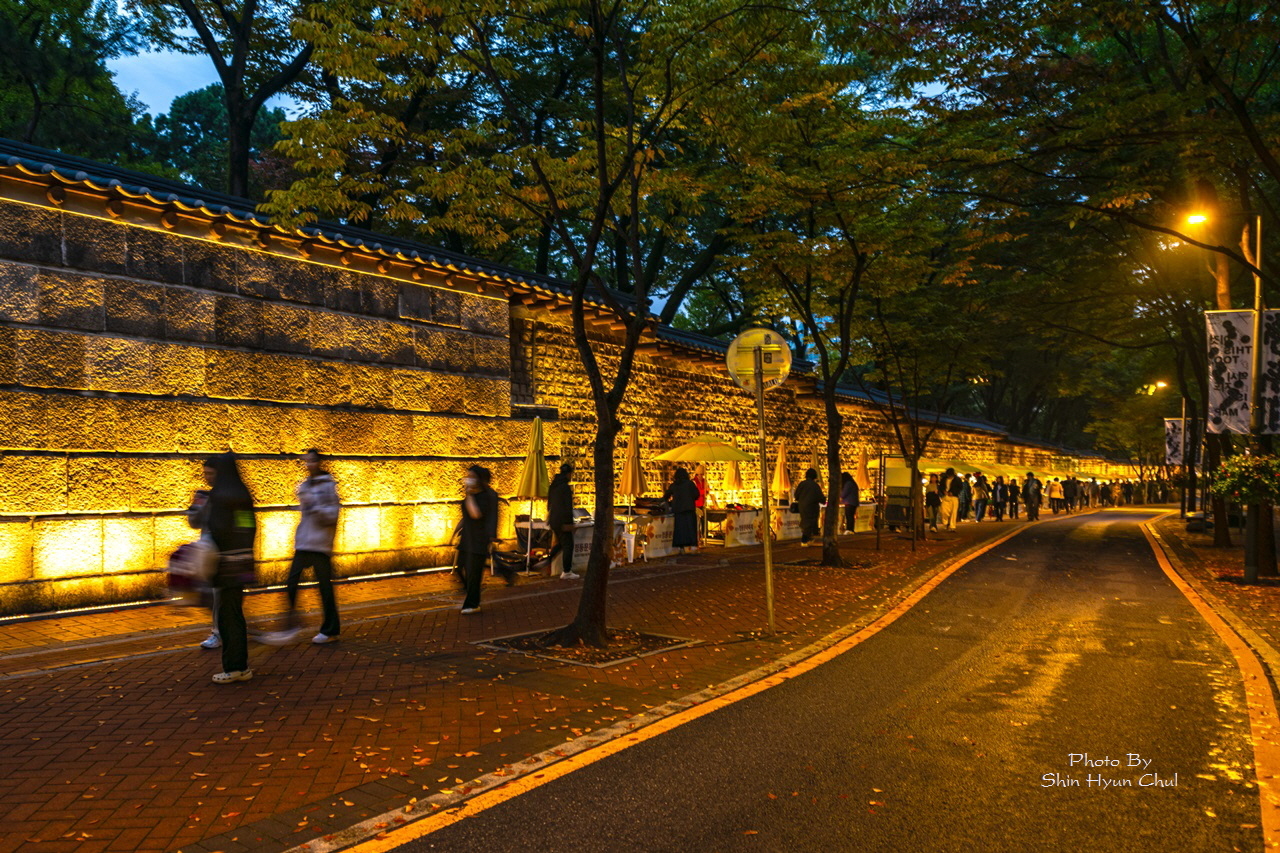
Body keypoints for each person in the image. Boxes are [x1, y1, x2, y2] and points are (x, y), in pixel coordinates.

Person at [269, 449, 341, 644]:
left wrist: (314, 506)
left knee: (324, 588)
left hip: (320, 545)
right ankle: (292, 623)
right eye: (306, 461)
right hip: (304, 543)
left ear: (319, 462)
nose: (309, 465)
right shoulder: (305, 485)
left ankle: (330, 629)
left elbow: (332, 515)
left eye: (312, 461)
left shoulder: (328, 486)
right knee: (291, 582)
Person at [201, 453, 258, 684]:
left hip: (224, 566)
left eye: (211, 473)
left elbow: (216, 529)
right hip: (242, 563)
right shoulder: (242, 494)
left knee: (226, 617)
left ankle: (235, 667)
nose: (208, 477)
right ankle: (240, 666)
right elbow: (248, 526)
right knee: (235, 614)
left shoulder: (219, 496)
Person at [460, 464, 508, 614]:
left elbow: (475, 514)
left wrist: (469, 495)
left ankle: (472, 603)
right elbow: (466, 515)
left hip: (478, 539)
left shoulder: (486, 496)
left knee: (474, 572)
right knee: (461, 567)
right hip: (467, 538)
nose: (468, 479)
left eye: (472, 477)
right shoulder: (473, 495)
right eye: (468, 476)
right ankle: (470, 593)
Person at [186, 486, 220, 650]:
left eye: (211, 474)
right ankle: (219, 631)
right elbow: (194, 523)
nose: (208, 476)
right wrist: (196, 507)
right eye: (206, 473)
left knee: (220, 595)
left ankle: (220, 632)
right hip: (208, 551)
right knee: (211, 595)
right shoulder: (205, 495)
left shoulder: (229, 493)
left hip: (225, 552)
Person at [546, 463, 579, 579]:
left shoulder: (553, 486)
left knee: (561, 543)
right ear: (569, 474)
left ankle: (546, 561)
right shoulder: (565, 488)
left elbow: (549, 504)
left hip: (554, 520)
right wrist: (569, 523)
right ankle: (567, 571)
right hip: (562, 521)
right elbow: (567, 507)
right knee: (568, 545)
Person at [664, 467, 701, 554]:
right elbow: (696, 495)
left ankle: (680, 547)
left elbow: (666, 496)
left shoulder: (674, 485)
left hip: (678, 510)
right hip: (689, 509)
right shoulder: (690, 484)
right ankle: (693, 547)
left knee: (679, 529)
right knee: (690, 528)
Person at [794, 468, 825, 546]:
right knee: (809, 523)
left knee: (805, 521)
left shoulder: (802, 484)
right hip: (812, 507)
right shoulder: (815, 486)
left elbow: (796, 495)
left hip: (802, 506)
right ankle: (804, 540)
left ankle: (808, 538)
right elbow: (820, 497)